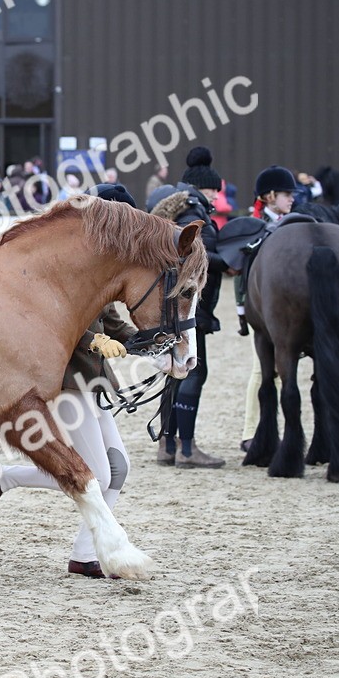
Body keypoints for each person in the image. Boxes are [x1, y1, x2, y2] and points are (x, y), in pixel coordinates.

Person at [0, 184, 140, 578]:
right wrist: (92, 340)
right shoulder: (66, 262)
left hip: (95, 380)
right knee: (97, 474)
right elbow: (47, 318)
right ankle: (9, 481)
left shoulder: (103, 268)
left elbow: (113, 323)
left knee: (118, 469)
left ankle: (83, 555)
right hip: (67, 379)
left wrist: (153, 343)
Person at [150, 147, 230, 468]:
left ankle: (167, 445)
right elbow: (193, 255)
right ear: (202, 188)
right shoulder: (192, 212)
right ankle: (186, 448)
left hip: (172, 304)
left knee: (175, 373)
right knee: (193, 371)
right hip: (188, 307)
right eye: (213, 190)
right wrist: (230, 261)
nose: (216, 196)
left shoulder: (179, 206)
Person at [234, 167, 297, 450]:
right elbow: (242, 272)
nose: (291, 198)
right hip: (260, 309)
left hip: (288, 310)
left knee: (283, 374)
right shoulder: (255, 225)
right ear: (270, 196)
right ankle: (250, 432)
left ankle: (276, 432)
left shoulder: (293, 226)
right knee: (261, 371)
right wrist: (241, 308)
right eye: (286, 194)